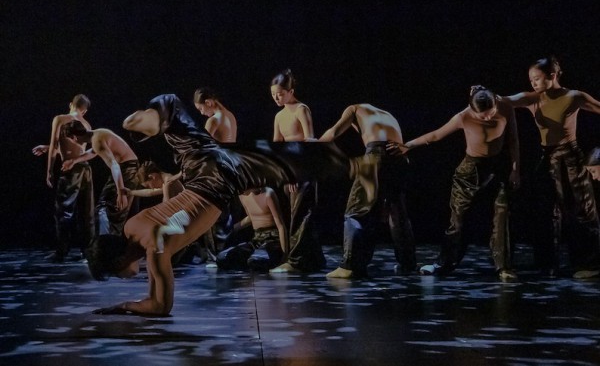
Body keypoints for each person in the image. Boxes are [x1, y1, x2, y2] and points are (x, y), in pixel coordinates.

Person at [87, 94, 372, 316]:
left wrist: (124, 306)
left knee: (277, 164)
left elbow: (160, 307)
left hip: (217, 185)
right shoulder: (132, 226)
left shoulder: (155, 250)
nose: (121, 278)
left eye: (115, 273)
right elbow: (167, 209)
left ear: (119, 261)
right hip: (199, 166)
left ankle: (353, 166)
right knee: (177, 116)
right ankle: (156, 118)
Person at [390, 86, 520, 281]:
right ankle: (444, 264)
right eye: (481, 115)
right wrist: (407, 145)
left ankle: (504, 267)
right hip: (469, 171)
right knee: (458, 221)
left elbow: (513, 140)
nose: (487, 119)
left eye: (490, 113)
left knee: (502, 217)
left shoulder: (506, 107)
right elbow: (435, 135)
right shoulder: (463, 117)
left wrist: (515, 170)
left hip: (497, 168)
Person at [503, 57, 600, 279]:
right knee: (546, 212)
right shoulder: (533, 98)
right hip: (547, 158)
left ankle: (591, 264)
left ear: (553, 76)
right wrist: (487, 95)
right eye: (531, 79)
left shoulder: (573, 97)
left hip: (570, 157)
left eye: (537, 79)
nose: (533, 83)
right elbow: (507, 100)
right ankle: (548, 264)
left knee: (581, 209)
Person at [320, 103, 416, 279]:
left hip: (376, 154)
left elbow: (333, 133)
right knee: (397, 214)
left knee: (355, 212)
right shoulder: (387, 113)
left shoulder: (354, 108)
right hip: (399, 157)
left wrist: (314, 147)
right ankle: (408, 263)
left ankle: (349, 266)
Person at [269, 69, 326, 273]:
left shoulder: (301, 109)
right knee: (297, 213)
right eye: (274, 94)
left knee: (301, 214)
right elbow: (277, 147)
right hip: (290, 169)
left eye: (281, 93)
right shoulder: (279, 116)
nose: (277, 97)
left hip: (303, 167)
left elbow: (310, 141)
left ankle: (297, 261)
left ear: (290, 91)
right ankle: (315, 260)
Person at [32, 94, 95, 262]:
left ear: (70, 105)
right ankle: (87, 252)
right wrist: (46, 148)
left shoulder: (60, 119)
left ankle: (62, 251)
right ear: (85, 111)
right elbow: (77, 149)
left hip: (70, 169)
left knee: (63, 211)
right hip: (85, 168)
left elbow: (55, 145)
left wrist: (49, 171)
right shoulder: (86, 123)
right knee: (86, 212)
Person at [62, 121, 140, 237]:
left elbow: (114, 165)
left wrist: (121, 191)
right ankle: (116, 245)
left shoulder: (97, 141)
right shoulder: (98, 133)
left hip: (127, 170)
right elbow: (94, 152)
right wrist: (74, 161)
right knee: (118, 209)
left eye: (71, 140)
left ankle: (107, 246)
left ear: (74, 137)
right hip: (130, 168)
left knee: (106, 208)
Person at [193, 87, 238, 263]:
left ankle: (215, 256)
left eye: (201, 109)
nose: (203, 113)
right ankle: (226, 253)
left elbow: (202, 150)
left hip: (217, 172)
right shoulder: (231, 117)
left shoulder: (213, 121)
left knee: (213, 215)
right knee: (226, 215)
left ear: (209, 102)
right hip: (232, 170)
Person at [216, 187, 288, 272]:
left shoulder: (268, 194)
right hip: (256, 239)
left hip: (272, 239)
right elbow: (252, 216)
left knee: (255, 260)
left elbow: (281, 226)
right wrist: (235, 227)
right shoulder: (243, 196)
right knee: (222, 258)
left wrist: (285, 256)